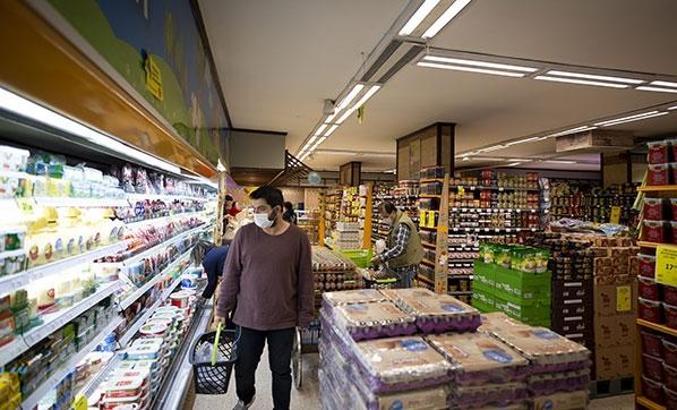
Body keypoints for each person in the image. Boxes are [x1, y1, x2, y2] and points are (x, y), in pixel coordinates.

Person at [214, 186, 314, 410]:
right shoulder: (244, 234)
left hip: (283, 319)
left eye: (261, 209)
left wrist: (305, 315)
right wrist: (221, 310)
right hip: (247, 317)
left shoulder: (298, 238)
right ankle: (246, 397)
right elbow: (231, 275)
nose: (255, 213)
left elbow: (306, 279)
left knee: (281, 371)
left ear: (277, 210)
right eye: (253, 209)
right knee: (243, 368)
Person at [370, 202, 424, 288]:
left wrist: (381, 258)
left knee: (404, 292)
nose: (384, 220)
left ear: (392, 212)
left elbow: (399, 248)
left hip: (406, 266)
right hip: (401, 265)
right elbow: (395, 241)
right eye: (383, 217)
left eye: (386, 217)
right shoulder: (396, 221)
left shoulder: (402, 224)